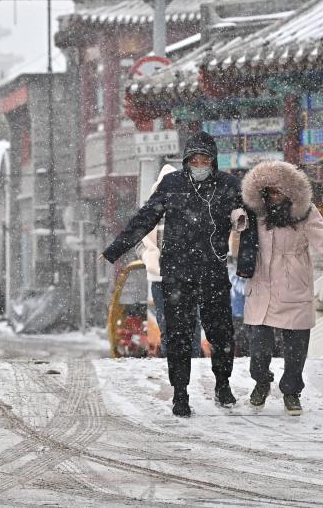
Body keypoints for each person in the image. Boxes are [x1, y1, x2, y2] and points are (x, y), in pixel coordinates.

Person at [101, 131, 256, 417]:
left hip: (212, 271)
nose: (199, 165)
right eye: (194, 160)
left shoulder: (229, 186)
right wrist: (116, 249)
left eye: (204, 159)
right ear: (186, 161)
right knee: (179, 337)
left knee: (221, 334)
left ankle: (223, 384)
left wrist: (246, 264)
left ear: (213, 161)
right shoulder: (172, 185)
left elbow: (250, 225)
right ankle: (180, 394)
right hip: (177, 274)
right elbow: (146, 216)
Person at [241, 160, 323, 416]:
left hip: (293, 283)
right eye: (270, 192)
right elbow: (230, 223)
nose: (274, 197)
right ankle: (261, 381)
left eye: (279, 192)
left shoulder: (305, 212)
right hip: (261, 285)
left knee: (295, 350)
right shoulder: (254, 212)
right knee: (258, 350)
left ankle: (291, 392)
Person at [136, 163, 202, 358]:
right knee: (167, 327)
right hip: (160, 279)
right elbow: (138, 244)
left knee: (192, 325)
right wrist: (148, 258)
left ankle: (193, 365)